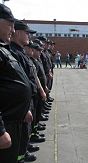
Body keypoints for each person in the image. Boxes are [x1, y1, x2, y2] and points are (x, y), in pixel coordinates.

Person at [0, 4, 32, 163]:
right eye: (10, 25)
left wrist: (23, 108)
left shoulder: (4, 49)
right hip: (5, 124)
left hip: (13, 120)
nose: (12, 30)